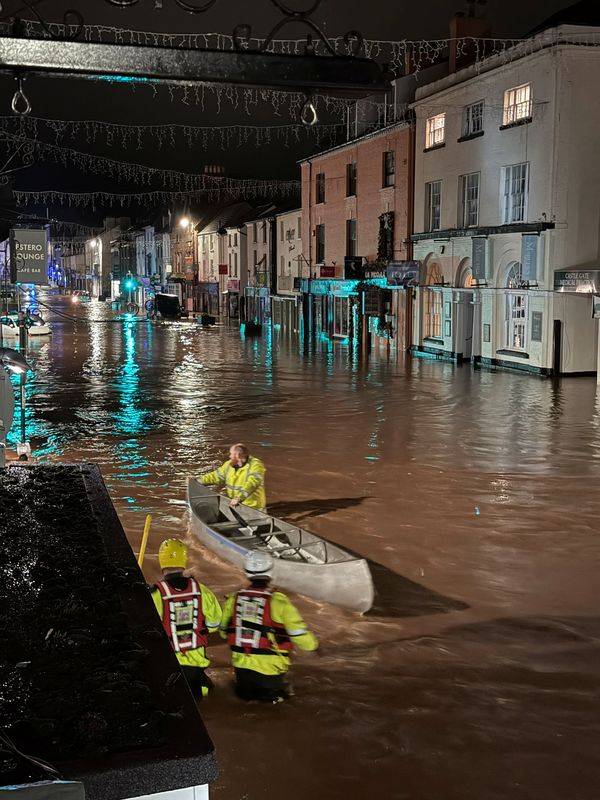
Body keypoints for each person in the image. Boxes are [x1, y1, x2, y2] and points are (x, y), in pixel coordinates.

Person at [220, 551, 318, 703]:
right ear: (270, 573)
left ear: (247, 573)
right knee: (277, 706)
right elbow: (300, 635)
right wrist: (314, 647)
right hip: (270, 672)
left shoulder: (234, 599)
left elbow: (223, 632)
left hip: (241, 669)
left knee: (246, 702)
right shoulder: (279, 601)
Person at [151, 538, 222, 699]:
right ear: (184, 560)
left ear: (162, 561)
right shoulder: (201, 590)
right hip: (196, 667)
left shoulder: (154, 594)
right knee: (204, 693)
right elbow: (215, 623)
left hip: (169, 668)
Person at [199, 443, 267, 511]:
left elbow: (251, 484)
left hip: (253, 508)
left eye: (231, 454)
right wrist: (198, 480)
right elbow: (215, 476)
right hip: (235, 505)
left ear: (237, 456)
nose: (230, 456)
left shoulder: (256, 465)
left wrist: (238, 498)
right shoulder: (229, 464)